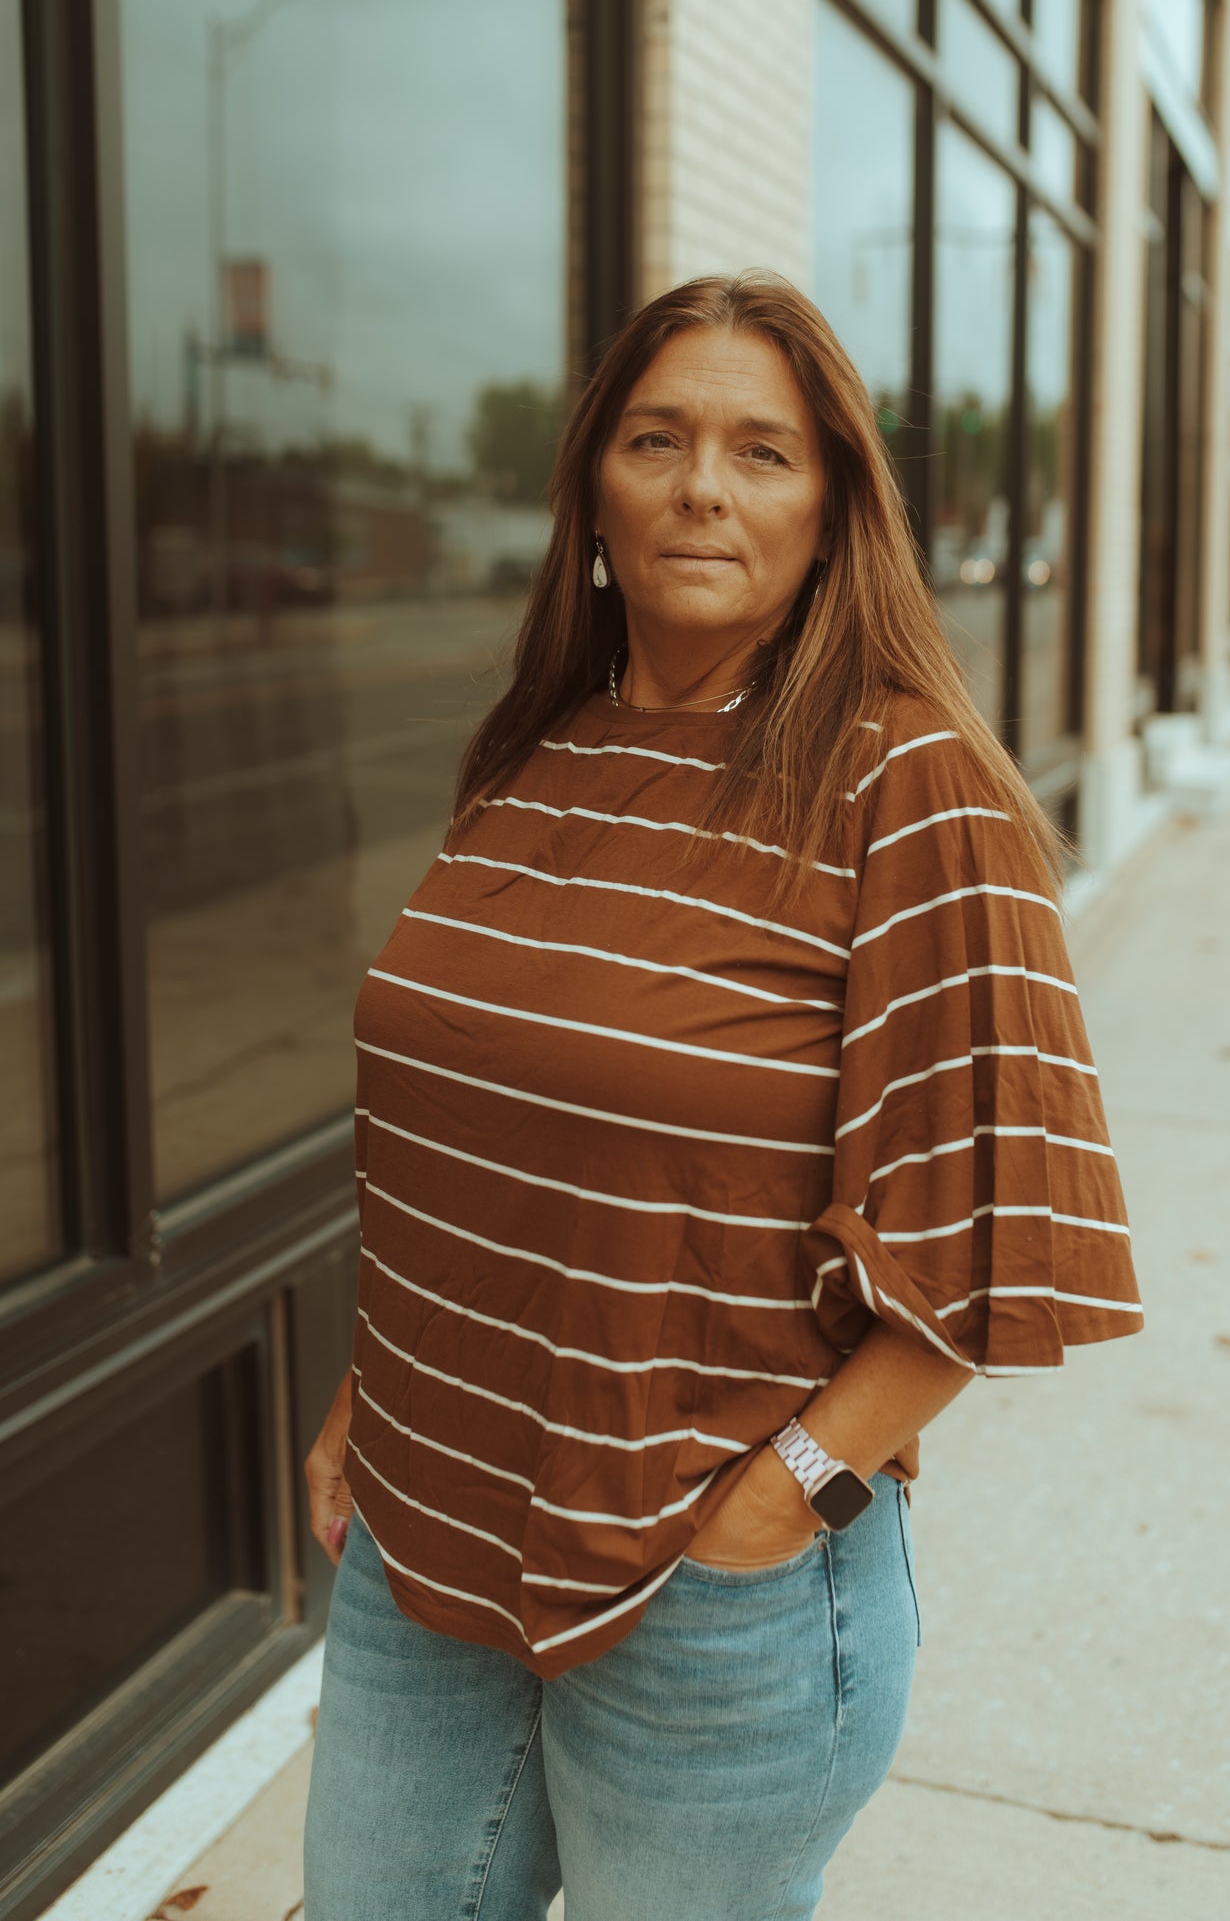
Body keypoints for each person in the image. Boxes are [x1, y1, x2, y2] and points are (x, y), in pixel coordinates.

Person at [301, 273, 1142, 1920]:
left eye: (761, 452)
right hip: (424, 1525)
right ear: (591, 491)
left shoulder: (908, 788)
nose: (701, 485)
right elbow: (474, 1134)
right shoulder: (535, 756)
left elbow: (992, 1234)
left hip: (703, 1582)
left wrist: (781, 1505)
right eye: (657, 438)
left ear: (828, 516)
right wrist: (368, 1392)